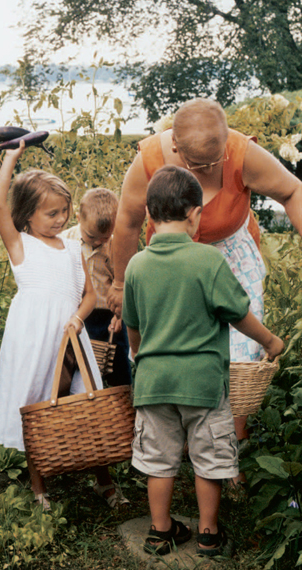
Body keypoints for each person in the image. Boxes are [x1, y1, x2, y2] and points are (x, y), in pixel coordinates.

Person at [108, 97, 302, 445]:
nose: (207, 170)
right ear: (175, 146)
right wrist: (121, 283)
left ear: (226, 142)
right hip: (169, 261)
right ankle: (174, 430)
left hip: (231, 256)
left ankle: (231, 439)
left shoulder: (242, 153)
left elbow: (292, 191)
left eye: (215, 161)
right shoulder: (149, 159)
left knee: (240, 347)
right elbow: (126, 223)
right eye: (197, 163)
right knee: (175, 343)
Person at [122, 165, 284, 557]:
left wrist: (139, 354)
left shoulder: (136, 266)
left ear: (148, 214)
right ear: (195, 214)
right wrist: (270, 340)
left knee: (159, 462)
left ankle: (161, 531)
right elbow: (238, 314)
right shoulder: (208, 262)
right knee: (208, 458)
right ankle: (208, 533)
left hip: (154, 383)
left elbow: (133, 327)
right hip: (203, 385)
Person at [0, 141, 129, 510]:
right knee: (36, 405)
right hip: (34, 338)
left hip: (70, 336)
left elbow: (86, 295)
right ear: (27, 215)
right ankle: (40, 487)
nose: (60, 220)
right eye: (51, 213)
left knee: (86, 402)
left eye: (65, 212)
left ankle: (103, 479)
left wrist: (78, 318)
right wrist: (11, 158)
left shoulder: (70, 250)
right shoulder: (20, 246)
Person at [62, 188, 132, 386]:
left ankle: (122, 404)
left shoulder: (116, 246)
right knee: (78, 363)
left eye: (105, 237)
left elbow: (124, 284)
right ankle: (81, 402)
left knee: (117, 361)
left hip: (108, 316)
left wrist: (119, 315)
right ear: (78, 218)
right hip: (77, 313)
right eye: (92, 236)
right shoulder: (65, 241)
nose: (99, 242)